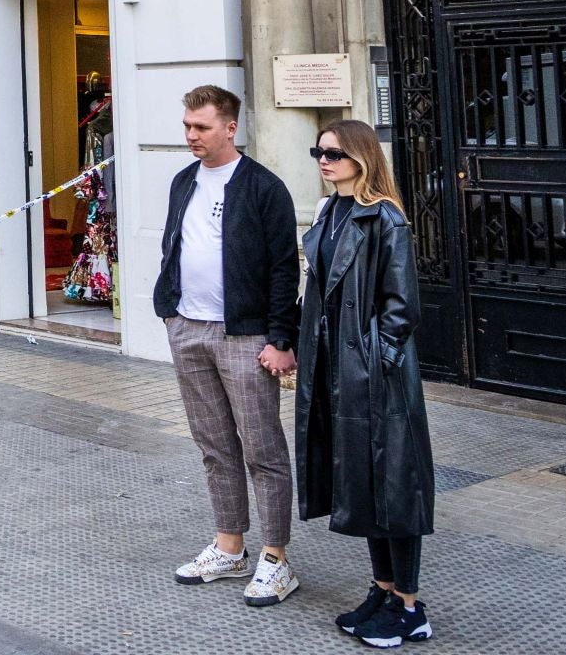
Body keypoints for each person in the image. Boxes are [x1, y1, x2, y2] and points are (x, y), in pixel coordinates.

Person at [152, 85, 302, 607]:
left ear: (230, 127)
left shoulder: (263, 187)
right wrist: (169, 310)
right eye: (188, 127)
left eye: (202, 127)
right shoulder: (182, 182)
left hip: (244, 333)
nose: (191, 136)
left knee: (263, 449)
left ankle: (276, 558)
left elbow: (285, 269)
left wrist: (282, 338)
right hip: (188, 328)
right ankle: (230, 545)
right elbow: (174, 244)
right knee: (214, 444)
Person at [297, 119, 436, 648]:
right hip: (337, 371)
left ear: (361, 156)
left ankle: (409, 605)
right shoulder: (331, 212)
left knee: (394, 486)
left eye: (333, 153)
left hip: (376, 376)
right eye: (319, 153)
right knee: (363, 483)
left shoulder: (386, 220)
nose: (324, 161)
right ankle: (382, 588)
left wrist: (376, 362)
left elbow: (402, 309)